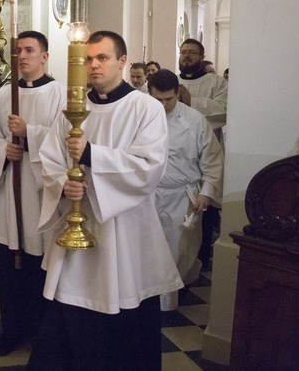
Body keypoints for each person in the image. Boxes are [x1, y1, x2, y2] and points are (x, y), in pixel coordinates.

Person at [28, 31, 182, 370]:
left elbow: (149, 167)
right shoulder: (71, 108)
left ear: (122, 61)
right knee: (68, 310)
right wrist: (62, 185)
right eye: (88, 59)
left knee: (122, 313)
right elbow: (49, 158)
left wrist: (93, 155)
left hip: (122, 231)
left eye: (103, 58)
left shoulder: (146, 108)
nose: (94, 65)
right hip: (73, 232)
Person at [0, 31, 66, 357]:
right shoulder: (3, 95)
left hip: (41, 197)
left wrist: (28, 136)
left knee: (37, 266)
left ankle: (40, 331)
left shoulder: (60, 94)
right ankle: (11, 329)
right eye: (17, 52)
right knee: (8, 267)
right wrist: (3, 151)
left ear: (44, 56)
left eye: (29, 50)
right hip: (10, 198)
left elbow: (65, 143)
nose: (22, 56)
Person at [148, 69, 224, 311]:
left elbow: (212, 159)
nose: (163, 105)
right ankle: (150, 304)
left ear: (178, 93)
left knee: (178, 252)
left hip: (183, 197)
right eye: (157, 100)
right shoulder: (140, 117)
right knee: (150, 252)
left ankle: (170, 303)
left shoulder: (194, 120)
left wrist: (207, 192)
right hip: (149, 195)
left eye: (168, 99)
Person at [177, 38, 227, 270]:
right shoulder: (171, 81)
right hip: (177, 159)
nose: (187, 56)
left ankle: (202, 258)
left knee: (203, 212)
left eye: (192, 53)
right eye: (183, 52)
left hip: (204, 155)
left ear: (202, 55)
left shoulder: (216, 83)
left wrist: (192, 102)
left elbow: (225, 111)